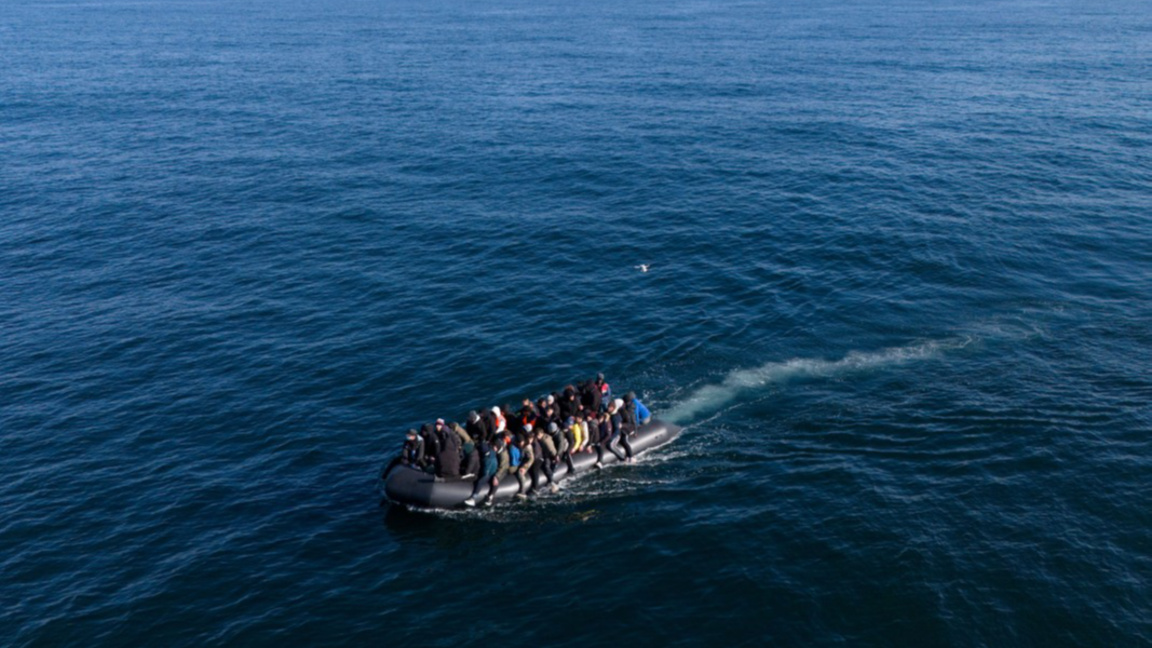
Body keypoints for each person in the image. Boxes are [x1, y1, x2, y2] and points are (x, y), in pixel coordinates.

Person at [514, 428, 535, 498]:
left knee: (520, 473)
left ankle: (523, 491)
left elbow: (531, 459)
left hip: (526, 462)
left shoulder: (527, 447)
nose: (520, 444)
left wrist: (524, 468)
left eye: (521, 442)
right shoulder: (517, 444)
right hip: (521, 460)